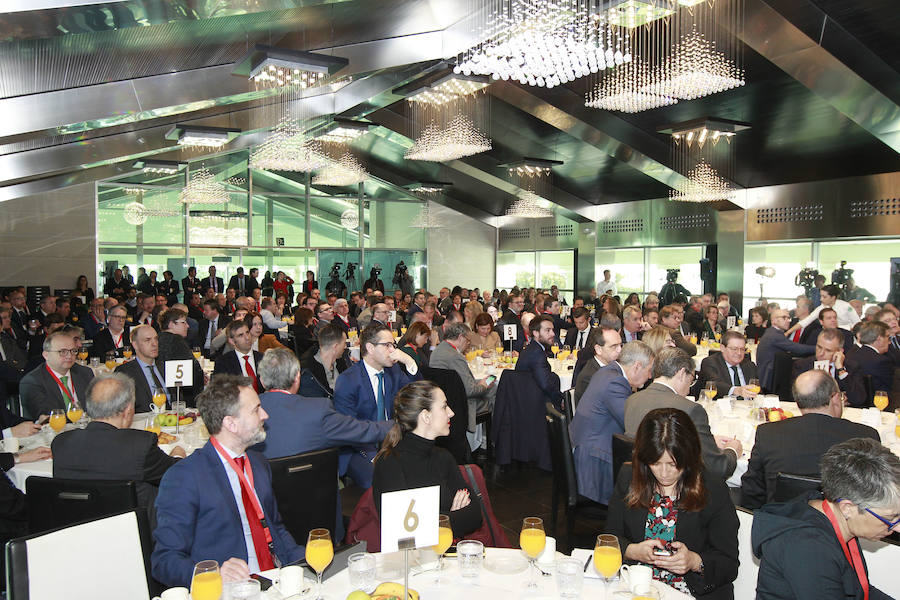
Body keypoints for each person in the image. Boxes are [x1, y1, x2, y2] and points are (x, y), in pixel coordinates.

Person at [152, 375, 305, 586]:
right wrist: (213, 574)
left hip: (277, 581)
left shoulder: (258, 463)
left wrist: (303, 562)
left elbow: (275, 528)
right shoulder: (185, 478)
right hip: (233, 589)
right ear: (230, 423)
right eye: (255, 410)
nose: (265, 415)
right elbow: (165, 561)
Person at [607, 408, 739, 599]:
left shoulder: (712, 488)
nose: (663, 473)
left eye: (673, 464)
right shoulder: (630, 477)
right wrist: (633, 551)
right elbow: (609, 538)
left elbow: (729, 563)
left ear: (689, 458)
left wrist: (694, 561)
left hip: (691, 593)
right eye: (655, 463)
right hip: (639, 588)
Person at [752, 437, 899, 599]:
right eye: (891, 518)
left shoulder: (829, 513)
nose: (897, 527)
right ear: (848, 508)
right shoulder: (808, 548)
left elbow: (859, 590)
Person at [52, 374, 184, 523]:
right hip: (135, 535)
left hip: (75, 533)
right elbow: (179, 475)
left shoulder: (60, 443)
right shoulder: (139, 445)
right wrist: (178, 455)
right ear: (128, 411)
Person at [740, 370, 879, 510]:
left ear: (798, 402)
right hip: (843, 527)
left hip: (782, 523)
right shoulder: (867, 436)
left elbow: (752, 493)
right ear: (836, 398)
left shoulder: (768, 434)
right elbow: (877, 494)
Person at [372, 381, 482, 537]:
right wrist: (451, 518)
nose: (451, 413)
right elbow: (402, 531)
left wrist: (434, 520)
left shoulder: (443, 457)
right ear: (426, 417)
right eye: (444, 407)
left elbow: (475, 516)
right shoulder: (390, 463)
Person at [255, 347, 391, 466]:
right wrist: (398, 424)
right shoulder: (318, 410)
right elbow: (363, 431)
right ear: (297, 377)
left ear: (262, 380)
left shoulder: (242, 413)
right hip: (320, 492)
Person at [626, 348, 742, 482]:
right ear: (681, 373)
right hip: (676, 486)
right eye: (691, 379)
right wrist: (732, 450)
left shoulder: (632, 400)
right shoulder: (690, 409)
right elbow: (717, 468)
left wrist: (703, 440)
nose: (689, 389)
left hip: (639, 479)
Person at [333, 323, 420, 488]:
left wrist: (409, 362)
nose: (393, 351)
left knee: (420, 470)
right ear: (370, 348)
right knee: (381, 480)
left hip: (394, 441)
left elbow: (417, 396)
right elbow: (348, 428)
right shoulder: (348, 380)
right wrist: (374, 454)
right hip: (360, 447)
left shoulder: (393, 372)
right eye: (387, 345)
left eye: (393, 345)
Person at [572, 341, 655, 505]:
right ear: (637, 366)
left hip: (585, 447)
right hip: (595, 462)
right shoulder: (615, 383)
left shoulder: (608, 371)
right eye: (649, 370)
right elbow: (631, 423)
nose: (650, 376)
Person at [429, 322, 495, 444]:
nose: (468, 344)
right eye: (468, 341)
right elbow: (470, 391)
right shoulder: (455, 357)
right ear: (460, 338)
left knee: (490, 388)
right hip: (461, 403)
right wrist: (483, 385)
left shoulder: (438, 350)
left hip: (445, 397)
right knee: (495, 391)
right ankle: (493, 439)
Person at [20, 331, 95, 419]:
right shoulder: (32, 382)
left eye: (73, 351)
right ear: (46, 355)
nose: (69, 356)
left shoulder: (85, 372)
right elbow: (48, 417)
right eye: (62, 352)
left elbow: (97, 405)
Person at [756, 309, 816, 392]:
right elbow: (798, 349)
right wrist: (819, 348)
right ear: (774, 321)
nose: (788, 321)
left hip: (770, 375)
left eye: (789, 318)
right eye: (784, 318)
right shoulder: (774, 335)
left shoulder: (773, 332)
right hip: (769, 378)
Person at [114, 324, 170, 413]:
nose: (154, 344)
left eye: (156, 339)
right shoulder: (124, 372)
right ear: (135, 345)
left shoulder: (165, 367)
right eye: (148, 340)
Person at [515, 315, 564, 407]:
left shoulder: (532, 348)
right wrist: (561, 400)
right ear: (536, 333)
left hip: (525, 399)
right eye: (548, 330)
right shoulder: (536, 353)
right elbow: (545, 384)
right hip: (533, 405)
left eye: (552, 330)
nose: (553, 334)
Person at [844, 321, 894, 407]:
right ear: (879, 339)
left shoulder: (851, 355)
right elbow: (892, 389)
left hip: (853, 404)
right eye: (887, 337)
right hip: (878, 407)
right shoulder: (881, 361)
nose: (889, 342)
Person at [699, 330, 760, 400]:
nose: (739, 353)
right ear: (722, 348)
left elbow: (758, 390)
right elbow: (714, 384)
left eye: (742, 349)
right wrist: (736, 390)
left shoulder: (750, 365)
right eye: (734, 349)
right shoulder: (710, 363)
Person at [572, 326, 623, 404]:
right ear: (598, 349)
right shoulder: (589, 376)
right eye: (614, 346)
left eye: (620, 345)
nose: (620, 350)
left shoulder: (615, 366)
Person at [786, 284, 860, 337]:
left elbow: (858, 324)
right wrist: (788, 332)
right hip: (829, 335)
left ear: (833, 297)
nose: (821, 299)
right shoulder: (822, 307)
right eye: (821, 296)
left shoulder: (846, 307)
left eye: (824, 297)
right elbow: (806, 321)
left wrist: (841, 327)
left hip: (848, 335)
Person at [299, 324, 349, 399]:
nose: (345, 347)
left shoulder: (341, 362)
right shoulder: (308, 373)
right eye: (344, 343)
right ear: (335, 347)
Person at [214, 321, 265, 393]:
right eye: (241, 335)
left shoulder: (263, 358)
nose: (247, 337)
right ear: (232, 341)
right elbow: (219, 391)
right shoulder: (223, 362)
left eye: (247, 332)